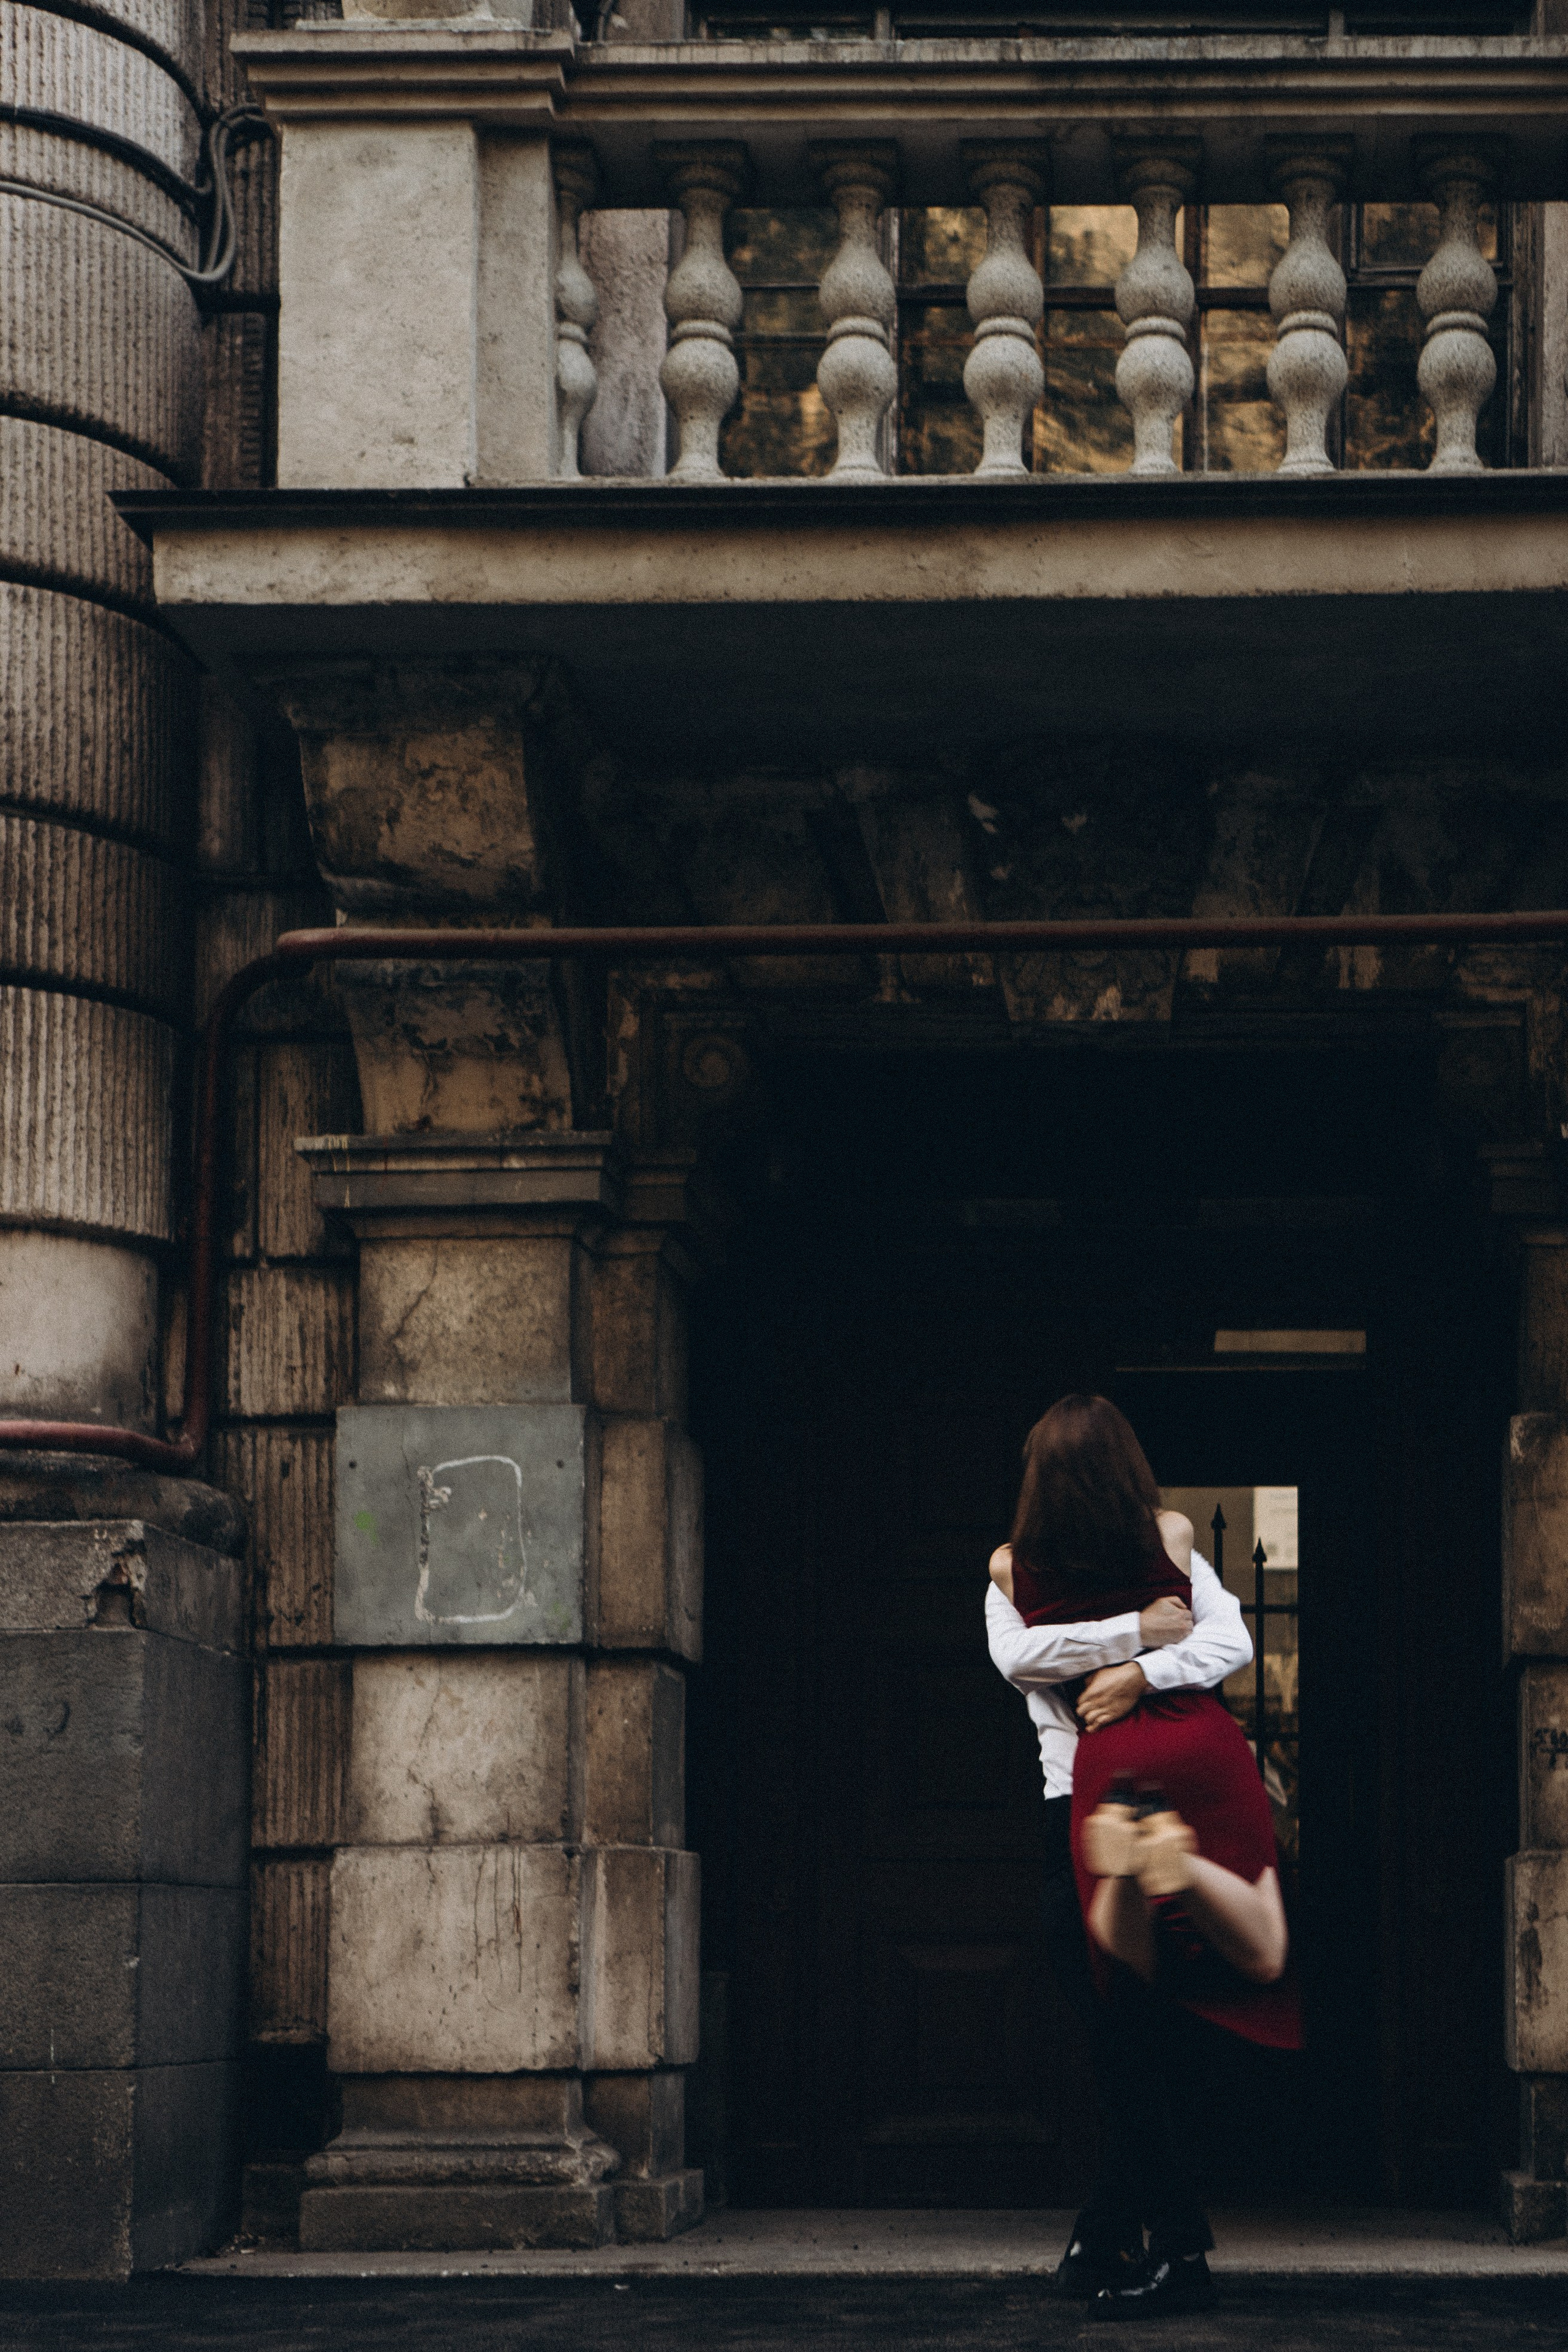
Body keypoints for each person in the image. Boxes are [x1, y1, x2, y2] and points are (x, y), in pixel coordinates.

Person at [986, 1393, 1298, 2317]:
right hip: (1082, 1811)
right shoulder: (1018, 1572)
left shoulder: (1148, 1550)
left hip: (1130, 1810)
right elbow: (1021, 1660)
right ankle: (1112, 2229)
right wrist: (1138, 1635)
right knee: (1120, 2025)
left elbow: (1233, 1638)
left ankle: (1170, 2249)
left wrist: (1137, 1677)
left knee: (1133, 2028)